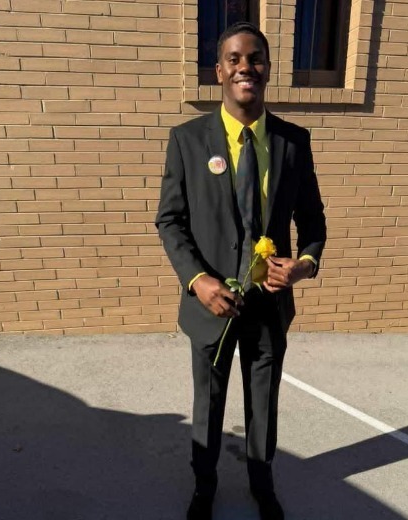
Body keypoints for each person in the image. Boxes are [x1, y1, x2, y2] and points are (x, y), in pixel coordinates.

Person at [156, 22, 326, 520]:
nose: (245, 67)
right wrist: (198, 280)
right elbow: (170, 220)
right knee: (207, 402)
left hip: (269, 304)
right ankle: (204, 486)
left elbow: (313, 220)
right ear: (219, 71)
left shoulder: (293, 142)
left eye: (255, 58)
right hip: (212, 304)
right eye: (234, 59)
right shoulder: (188, 140)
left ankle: (261, 481)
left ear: (268, 69)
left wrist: (303, 266)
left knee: (263, 399)